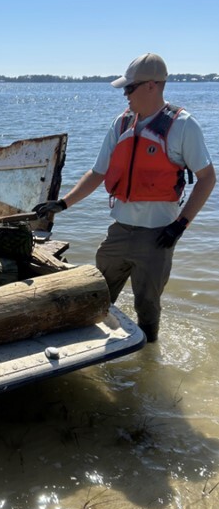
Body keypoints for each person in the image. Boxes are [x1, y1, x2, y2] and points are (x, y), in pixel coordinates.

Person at [34, 53, 216, 342]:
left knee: (147, 308)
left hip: (158, 236)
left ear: (152, 86)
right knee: (97, 296)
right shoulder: (121, 124)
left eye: (129, 88)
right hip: (118, 231)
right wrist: (63, 203)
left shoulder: (183, 125)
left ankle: (146, 362)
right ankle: (94, 352)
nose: (125, 95)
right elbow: (97, 173)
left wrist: (180, 226)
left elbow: (207, 178)